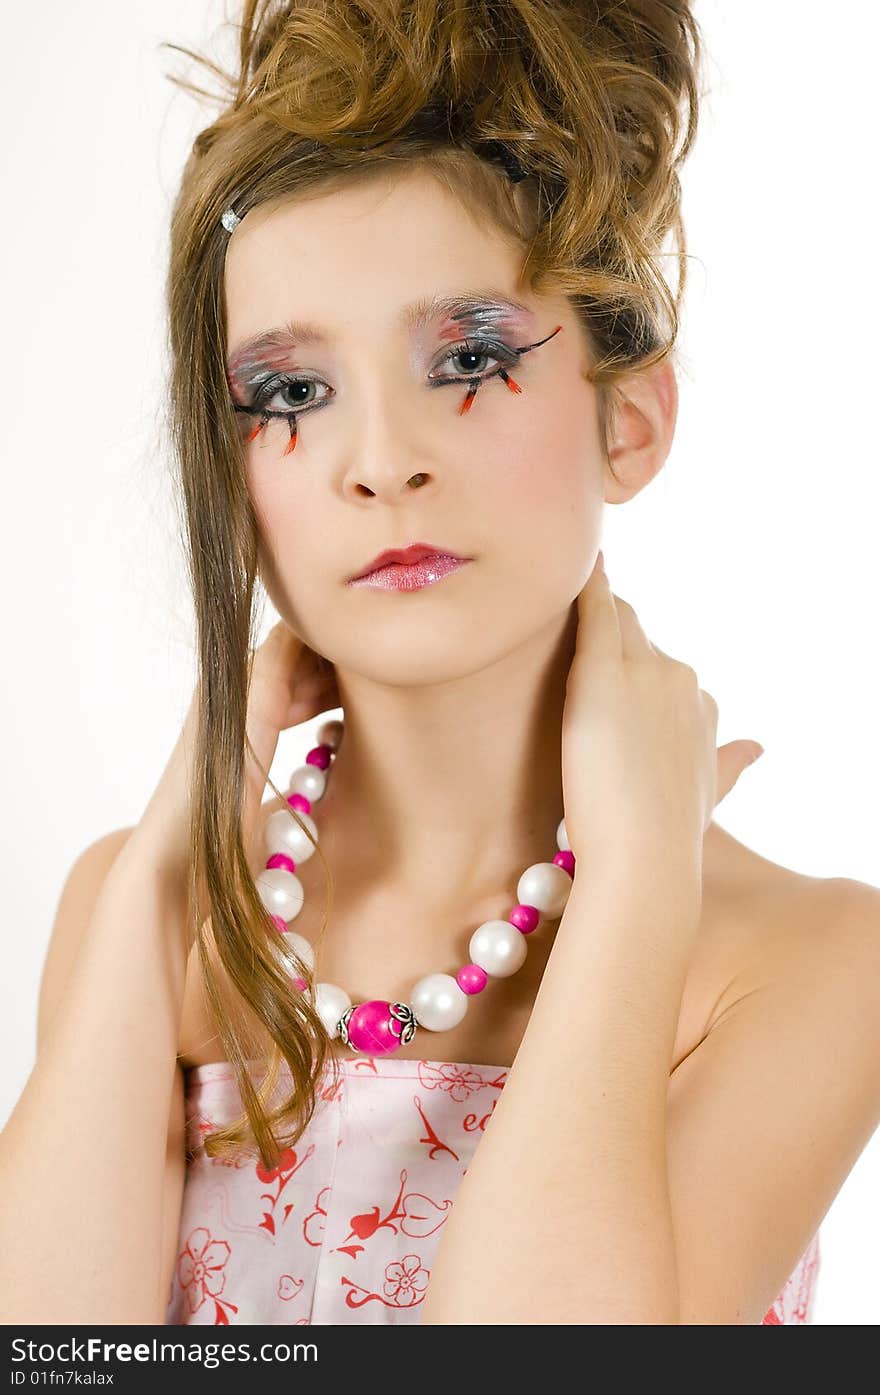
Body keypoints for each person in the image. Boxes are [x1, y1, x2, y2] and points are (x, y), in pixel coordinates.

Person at [1, 0, 878, 1327]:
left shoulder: (809, 963)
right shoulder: (141, 913)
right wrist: (158, 875)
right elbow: (48, 1354)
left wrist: (639, 880)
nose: (379, 461)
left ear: (629, 419)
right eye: (291, 394)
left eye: (465, 359)